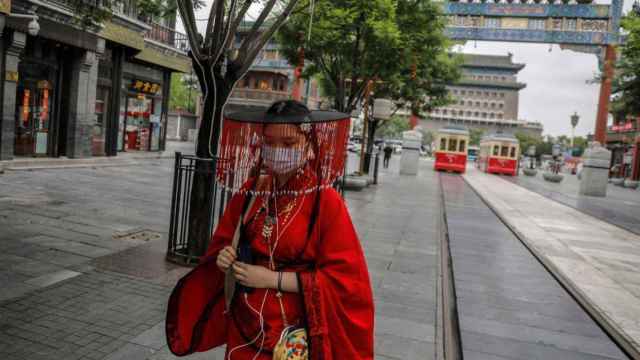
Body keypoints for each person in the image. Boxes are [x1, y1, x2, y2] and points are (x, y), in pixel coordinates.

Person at [166, 100, 374, 360]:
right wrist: (224, 259)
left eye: (288, 144)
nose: (277, 151)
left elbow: (346, 282)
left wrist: (272, 279)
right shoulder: (251, 191)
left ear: (308, 145)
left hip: (295, 331)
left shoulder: (327, 201)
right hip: (246, 322)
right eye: (270, 143)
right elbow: (222, 243)